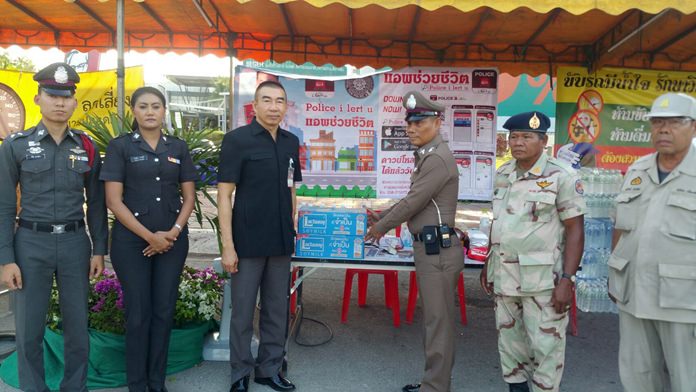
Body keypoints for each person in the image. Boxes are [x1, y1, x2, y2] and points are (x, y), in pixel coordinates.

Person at [0, 62, 108, 392]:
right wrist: (6, 259)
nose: (59, 102)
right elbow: (4, 206)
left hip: (76, 243)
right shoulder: (16, 145)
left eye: (66, 96)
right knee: (29, 329)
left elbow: (98, 204)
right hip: (31, 244)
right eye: (52, 95)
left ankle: (75, 387)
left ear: (74, 102)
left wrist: (99, 250)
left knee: (78, 326)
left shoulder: (86, 146)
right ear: (38, 99)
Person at [99, 86, 197, 392]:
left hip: (172, 242)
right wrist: (149, 237)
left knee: (163, 310)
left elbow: (189, 198)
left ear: (164, 110)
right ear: (134, 111)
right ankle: (137, 384)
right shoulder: (120, 147)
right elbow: (113, 201)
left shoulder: (178, 147)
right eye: (143, 106)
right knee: (138, 312)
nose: (150, 111)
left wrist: (174, 232)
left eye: (156, 106)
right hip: (131, 244)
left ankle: (157, 381)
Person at [480, 111, 585, 392]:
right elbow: (501, 222)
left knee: (546, 346)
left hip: (543, 281)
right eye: (513, 136)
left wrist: (567, 279)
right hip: (504, 275)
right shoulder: (503, 174)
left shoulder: (561, 176)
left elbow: (575, 229)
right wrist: (488, 262)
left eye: (527, 136)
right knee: (509, 343)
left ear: (543, 142)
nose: (518, 142)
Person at [365, 91, 462, 392]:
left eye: (419, 122)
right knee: (435, 323)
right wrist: (382, 213)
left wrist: (380, 227)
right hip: (432, 250)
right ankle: (432, 383)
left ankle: (434, 388)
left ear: (437, 122)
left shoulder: (437, 159)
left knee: (438, 325)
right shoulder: (428, 157)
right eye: (410, 122)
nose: (411, 128)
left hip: (438, 252)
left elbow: (413, 202)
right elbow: (414, 201)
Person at [217, 80, 301, 392]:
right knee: (242, 311)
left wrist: (292, 225)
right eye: (267, 100)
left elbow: (292, 188)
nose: (274, 106)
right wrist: (228, 245)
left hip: (280, 239)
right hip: (247, 240)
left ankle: (270, 369)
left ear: (285, 106)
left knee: (278, 308)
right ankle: (239, 373)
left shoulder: (291, 142)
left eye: (280, 101)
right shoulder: (237, 140)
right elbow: (224, 195)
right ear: (255, 104)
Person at [609, 93, 696, 392]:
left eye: (675, 122)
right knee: (638, 380)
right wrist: (614, 272)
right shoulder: (638, 170)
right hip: (634, 295)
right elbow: (620, 227)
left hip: (684, 303)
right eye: (658, 122)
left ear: (694, 127)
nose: (664, 129)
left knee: (688, 381)